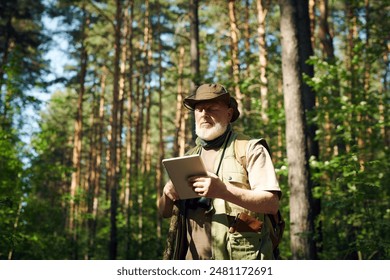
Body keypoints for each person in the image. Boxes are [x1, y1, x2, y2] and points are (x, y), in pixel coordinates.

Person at [159, 83, 281, 260]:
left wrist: (223, 191)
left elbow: (271, 204)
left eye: (212, 108)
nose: (204, 114)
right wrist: (167, 195)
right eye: (199, 109)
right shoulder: (188, 157)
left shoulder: (250, 149)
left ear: (229, 114)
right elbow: (164, 212)